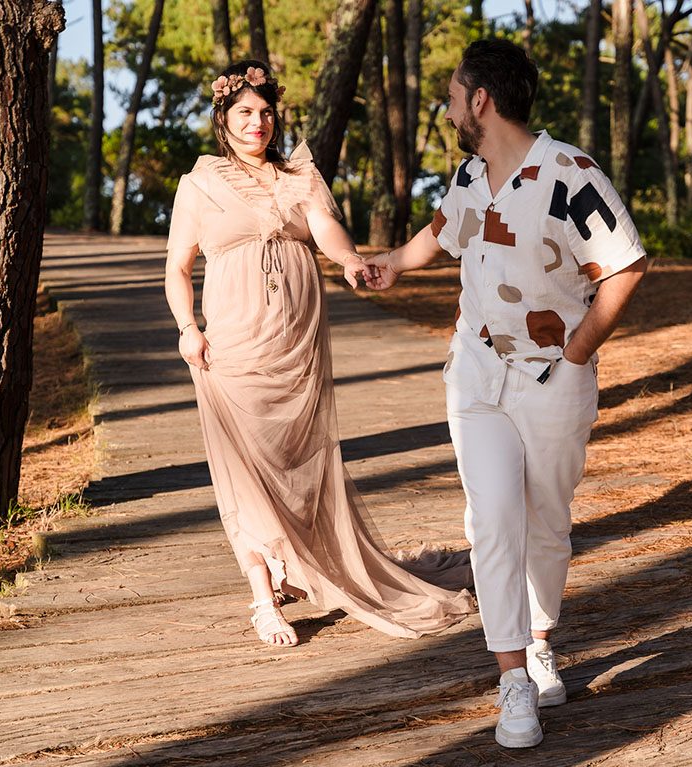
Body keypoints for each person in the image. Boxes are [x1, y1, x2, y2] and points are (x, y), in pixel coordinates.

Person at [365, 40, 648, 748]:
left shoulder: (569, 173)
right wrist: (392, 266)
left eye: (455, 94)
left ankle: (543, 638)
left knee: (546, 524)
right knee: (492, 522)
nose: (450, 105)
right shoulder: (471, 174)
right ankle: (513, 679)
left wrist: (578, 350)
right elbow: (440, 232)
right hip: (475, 374)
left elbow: (625, 267)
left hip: (552, 383)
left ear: (481, 102)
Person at [164, 61, 474, 648]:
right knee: (245, 464)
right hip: (232, 342)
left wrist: (354, 261)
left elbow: (327, 231)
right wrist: (187, 328)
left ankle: (297, 560)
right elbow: (177, 268)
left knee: (300, 459)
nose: (258, 123)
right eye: (244, 113)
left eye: (265, 113)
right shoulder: (199, 184)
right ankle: (262, 595)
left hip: (297, 341)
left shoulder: (298, 175)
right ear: (223, 120)